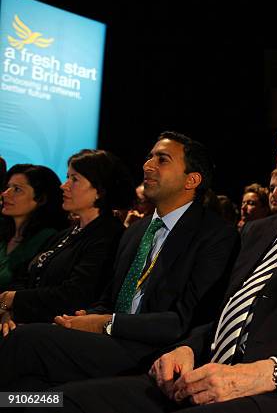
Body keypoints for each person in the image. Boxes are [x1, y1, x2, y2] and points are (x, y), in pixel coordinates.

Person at [40, 111, 277, 413]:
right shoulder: (257, 231)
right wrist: (188, 348)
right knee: (62, 401)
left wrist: (263, 374)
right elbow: (225, 314)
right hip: (206, 376)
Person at [0, 132, 239, 390]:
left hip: (154, 350)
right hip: (109, 340)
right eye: (149, 157)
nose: (148, 166)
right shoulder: (137, 231)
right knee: (31, 384)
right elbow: (109, 298)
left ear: (191, 180)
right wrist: (84, 317)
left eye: (162, 160)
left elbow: (186, 320)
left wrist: (107, 323)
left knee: (26, 341)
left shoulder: (215, 235)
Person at [0, 150, 133, 332]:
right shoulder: (66, 234)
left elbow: (76, 295)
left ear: (99, 190)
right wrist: (8, 309)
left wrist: (13, 300)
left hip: (59, 329)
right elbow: (25, 277)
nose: (64, 186)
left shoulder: (108, 235)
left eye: (74, 179)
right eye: (67, 177)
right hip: (29, 322)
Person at [0, 165, 67, 290]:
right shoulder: (4, 231)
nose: (5, 194)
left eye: (17, 189)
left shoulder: (49, 238)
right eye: (8, 187)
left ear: (41, 199)